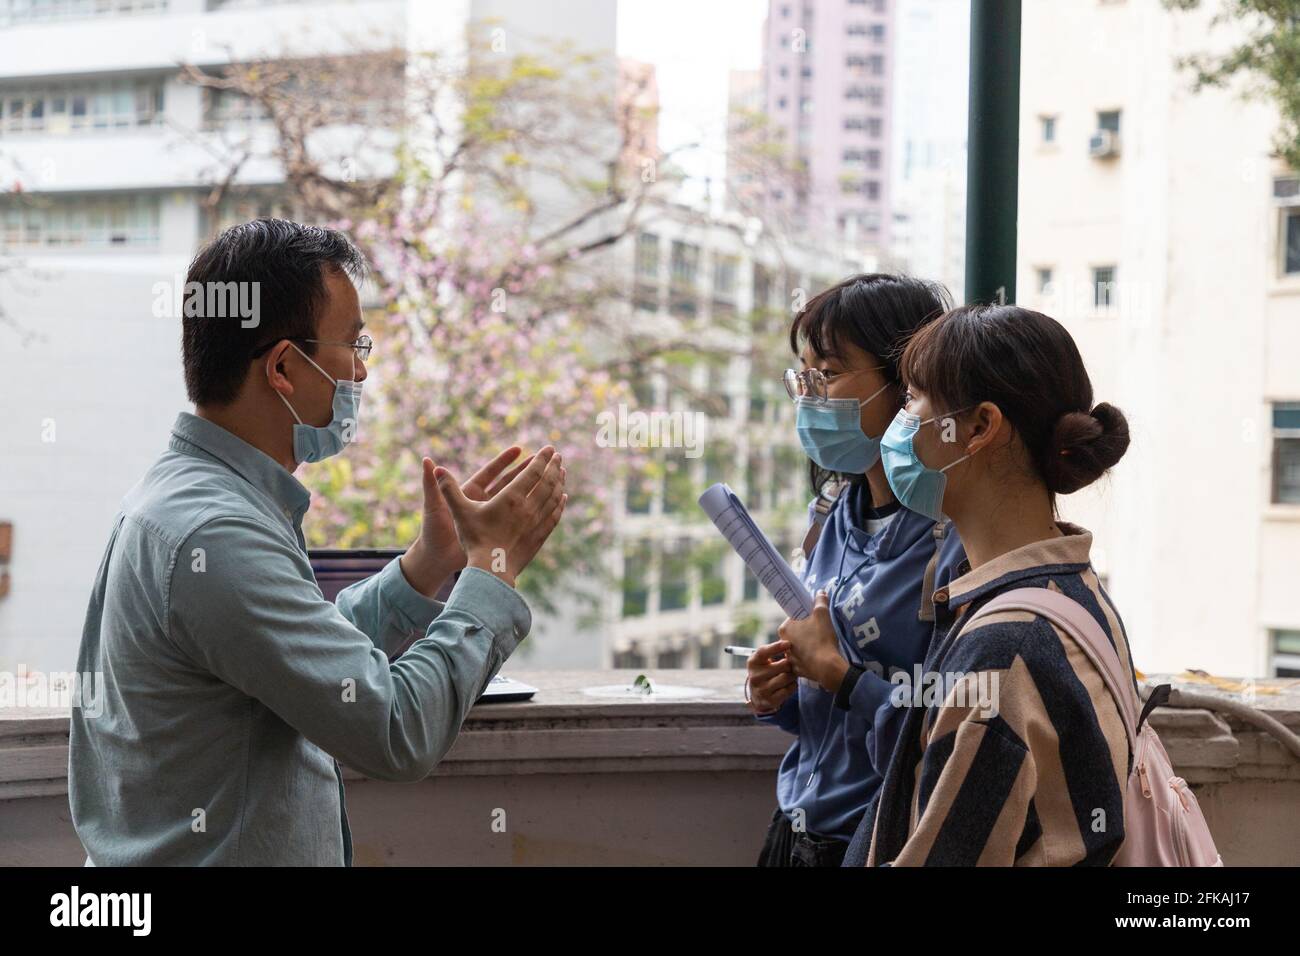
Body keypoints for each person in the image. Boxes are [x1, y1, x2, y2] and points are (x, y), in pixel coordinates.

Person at [68, 218, 566, 865]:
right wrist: (491, 573)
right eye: (352, 345)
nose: (362, 369)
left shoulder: (190, 499)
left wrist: (427, 566)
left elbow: (299, 656)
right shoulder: (216, 533)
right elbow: (394, 729)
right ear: (283, 366)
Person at [847, 303, 1134, 866]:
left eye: (911, 400)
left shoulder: (1004, 652)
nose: (899, 426)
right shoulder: (1071, 592)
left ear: (979, 427)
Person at [746, 274, 966, 867]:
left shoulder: (955, 537)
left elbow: (955, 730)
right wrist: (784, 693)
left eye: (832, 370)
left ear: (906, 383)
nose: (811, 393)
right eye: (805, 374)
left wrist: (841, 676)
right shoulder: (830, 515)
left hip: (877, 842)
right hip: (795, 829)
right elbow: (823, 715)